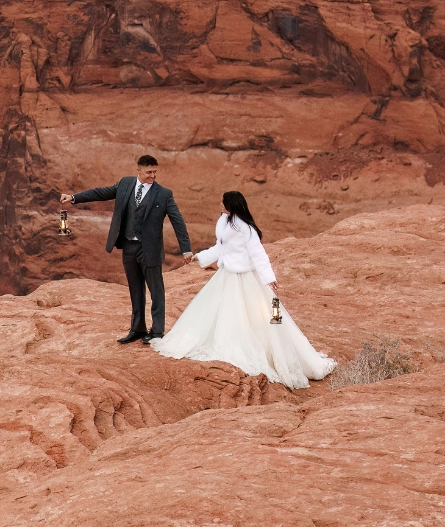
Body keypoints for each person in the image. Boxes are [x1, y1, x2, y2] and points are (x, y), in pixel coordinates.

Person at [149, 191, 335, 388]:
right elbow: (220, 248)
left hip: (246, 278)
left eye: (223, 202)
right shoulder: (224, 222)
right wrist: (201, 256)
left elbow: (258, 254)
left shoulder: (246, 229)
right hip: (227, 275)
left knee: (261, 316)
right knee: (224, 312)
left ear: (232, 205)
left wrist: (268, 278)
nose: (220, 204)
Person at [60, 155, 193, 344]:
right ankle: (137, 329)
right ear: (138, 170)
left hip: (151, 249)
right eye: (149, 172)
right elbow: (101, 193)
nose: (152, 176)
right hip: (129, 246)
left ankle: (157, 331)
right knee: (135, 289)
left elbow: (177, 221)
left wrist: (186, 249)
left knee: (156, 291)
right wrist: (74, 198)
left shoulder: (164, 194)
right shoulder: (125, 184)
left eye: (155, 172)